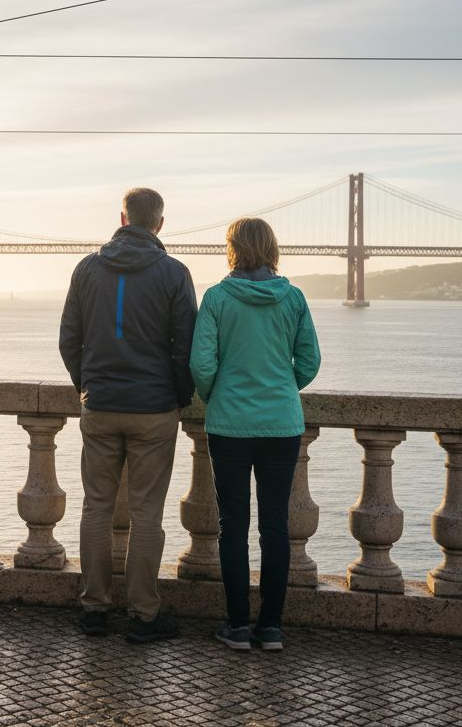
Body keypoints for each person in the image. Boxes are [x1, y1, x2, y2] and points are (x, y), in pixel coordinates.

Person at [59, 187, 197, 643]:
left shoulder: (86, 269)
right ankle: (143, 615)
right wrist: (178, 398)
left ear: (122, 218)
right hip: (154, 410)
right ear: (159, 223)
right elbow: (186, 350)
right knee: (147, 513)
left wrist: (88, 387)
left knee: (95, 507)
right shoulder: (175, 273)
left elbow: (68, 340)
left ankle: (94, 609)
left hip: (99, 406)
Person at [190, 217, 321, 653]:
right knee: (275, 528)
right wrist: (281, 389)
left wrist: (221, 395)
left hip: (229, 426)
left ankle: (237, 626)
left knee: (233, 526)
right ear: (271, 248)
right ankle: (271, 628)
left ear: (232, 249)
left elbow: (201, 366)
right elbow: (309, 362)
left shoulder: (216, 299)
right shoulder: (294, 298)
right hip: (282, 426)